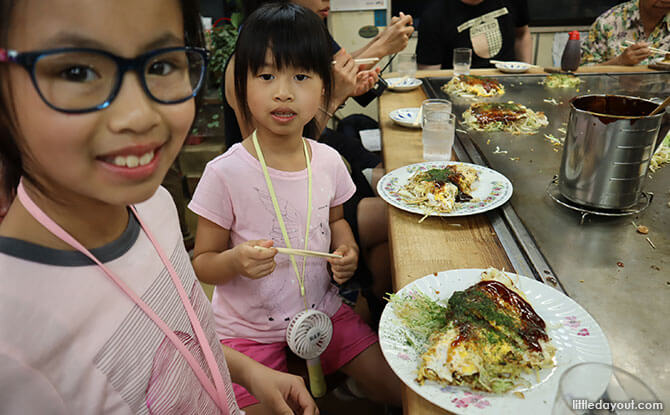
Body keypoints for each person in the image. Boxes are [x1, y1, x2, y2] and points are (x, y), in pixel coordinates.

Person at [0, 0, 318, 413]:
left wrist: (245, 371)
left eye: (163, 65)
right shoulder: (14, 345)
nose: (138, 116)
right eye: (76, 71)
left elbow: (177, 335)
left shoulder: (154, 205)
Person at [188, 4, 403, 413]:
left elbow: (337, 221)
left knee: (401, 392)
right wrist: (234, 261)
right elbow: (203, 263)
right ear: (241, 85)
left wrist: (347, 250)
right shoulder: (225, 173)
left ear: (324, 88)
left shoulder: (326, 160)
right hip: (246, 332)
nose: (283, 91)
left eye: (301, 76)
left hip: (322, 312)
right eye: (266, 76)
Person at [416, 0, 531, 70]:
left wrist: (526, 76)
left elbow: (522, 35)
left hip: (509, 82)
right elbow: (429, 73)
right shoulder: (434, 14)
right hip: (461, 88)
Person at [580, 0, 670, 66]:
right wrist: (619, 62)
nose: (666, 1)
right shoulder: (609, 22)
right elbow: (583, 73)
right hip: (613, 91)